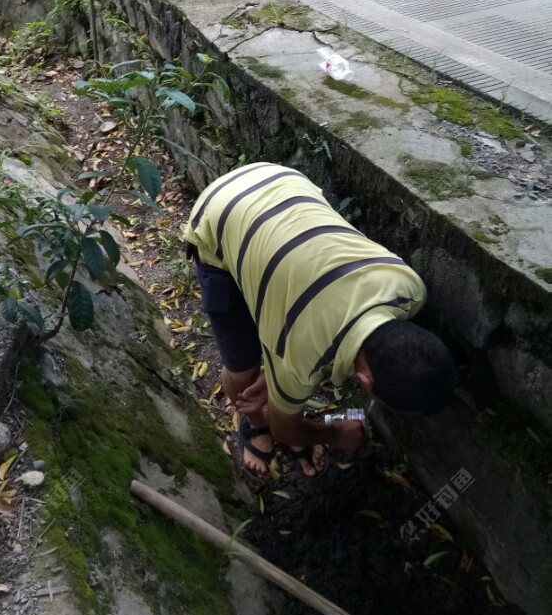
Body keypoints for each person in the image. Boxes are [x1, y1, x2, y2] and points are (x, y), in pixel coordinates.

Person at [183, 162, 456, 480]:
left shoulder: (410, 288)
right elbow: (285, 430)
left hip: (282, 182)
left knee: (281, 378)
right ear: (365, 381)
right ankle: (255, 424)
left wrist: (279, 379)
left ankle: (286, 411)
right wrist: (335, 434)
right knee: (244, 372)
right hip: (219, 212)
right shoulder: (302, 358)